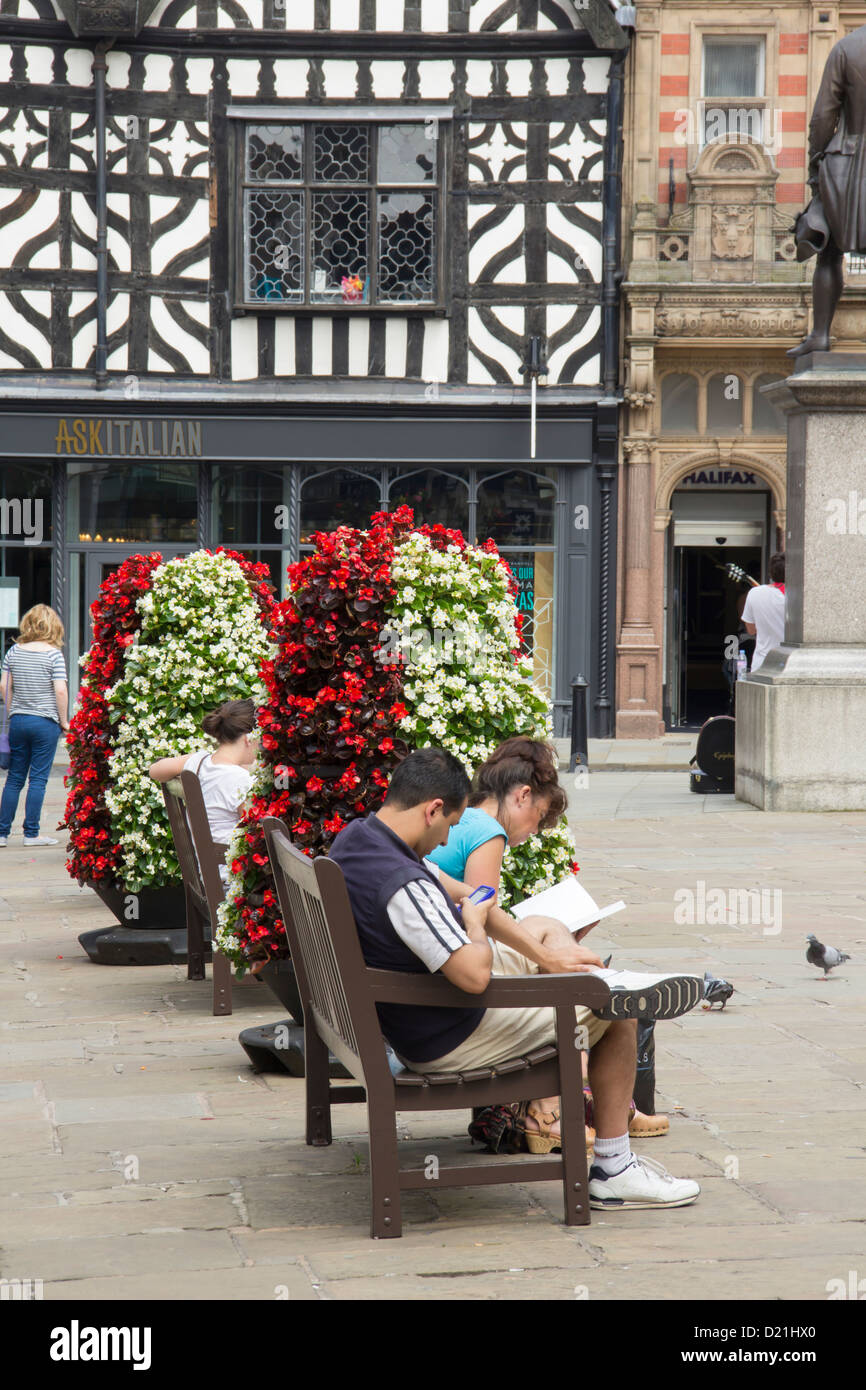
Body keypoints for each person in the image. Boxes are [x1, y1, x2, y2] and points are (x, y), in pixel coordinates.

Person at [329, 747, 701, 1210]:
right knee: (616, 1004)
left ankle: (572, 973)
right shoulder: (403, 882)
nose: (446, 842)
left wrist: (545, 956)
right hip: (445, 1034)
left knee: (555, 940)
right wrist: (474, 922)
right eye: (448, 826)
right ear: (432, 810)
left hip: (416, 1010)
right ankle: (614, 1168)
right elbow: (474, 975)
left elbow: (471, 893)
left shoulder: (362, 839)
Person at [428, 736, 669, 1151]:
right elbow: (480, 912)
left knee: (551, 932)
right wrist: (543, 957)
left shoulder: (464, 818)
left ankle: (558, 1105)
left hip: (439, 960)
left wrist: (546, 948)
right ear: (522, 795)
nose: (534, 830)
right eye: (538, 817)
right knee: (596, 991)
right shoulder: (488, 832)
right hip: (455, 981)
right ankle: (560, 1110)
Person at [148, 698, 256, 880]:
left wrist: (194, 759)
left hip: (207, 877)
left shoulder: (198, 763)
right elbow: (255, 833)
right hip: (233, 881)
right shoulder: (241, 780)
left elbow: (155, 770)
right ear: (248, 738)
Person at [0, 605, 69, 848]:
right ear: (53, 626)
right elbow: (60, 690)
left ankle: (1, 833)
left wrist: (12, 711)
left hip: (19, 720)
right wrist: (64, 720)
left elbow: (3, 685)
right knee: (37, 779)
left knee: (14, 778)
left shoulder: (14, 652)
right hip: (45, 722)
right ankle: (31, 834)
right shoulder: (53, 655)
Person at [742, 553, 786, 673]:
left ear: (770, 573)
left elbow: (751, 630)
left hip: (762, 663)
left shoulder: (754, 593)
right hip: (790, 664)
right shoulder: (798, 596)